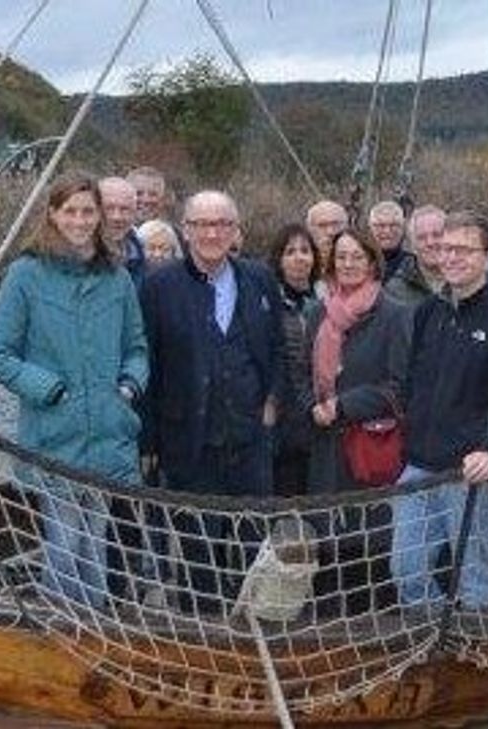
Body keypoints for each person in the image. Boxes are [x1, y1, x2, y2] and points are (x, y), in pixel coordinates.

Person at [0, 172, 148, 610]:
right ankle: (65, 623)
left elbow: (136, 346)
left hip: (109, 431)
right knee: (64, 536)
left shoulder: (117, 277)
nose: (79, 220)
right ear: (53, 215)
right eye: (70, 211)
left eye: (88, 211)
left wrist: (129, 386)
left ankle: (93, 627)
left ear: (100, 216)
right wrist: (49, 389)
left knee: (96, 536)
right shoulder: (25, 274)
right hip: (56, 431)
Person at [140, 190, 282, 612]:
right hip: (189, 441)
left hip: (250, 441)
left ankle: (248, 635)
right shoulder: (158, 286)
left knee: (251, 547)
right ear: (186, 230)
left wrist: (273, 400)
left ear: (236, 231)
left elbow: (278, 349)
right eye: (202, 224)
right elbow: (147, 361)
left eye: (222, 224)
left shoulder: (258, 279)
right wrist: (149, 439)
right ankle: (199, 639)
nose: (212, 233)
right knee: (197, 554)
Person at [391, 211, 488, 609]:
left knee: (471, 570)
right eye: (446, 249)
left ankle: (479, 653)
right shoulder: (428, 313)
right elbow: (413, 381)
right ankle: (432, 648)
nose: (452, 257)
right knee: (406, 568)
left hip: (470, 471)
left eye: (464, 250)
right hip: (419, 464)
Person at [303, 227, 410, 613]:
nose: (348, 264)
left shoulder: (394, 314)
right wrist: (311, 407)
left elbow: (399, 387)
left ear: (372, 263)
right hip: (326, 447)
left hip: (371, 448)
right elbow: (301, 374)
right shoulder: (317, 312)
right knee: (329, 549)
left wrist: (344, 405)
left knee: (372, 550)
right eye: (341, 256)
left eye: (357, 257)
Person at [268, 223, 321, 496]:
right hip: (281, 422)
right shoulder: (267, 302)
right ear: (279, 259)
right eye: (290, 252)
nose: (299, 258)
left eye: (305, 250)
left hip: (320, 420)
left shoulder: (328, 300)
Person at [384, 204, 444, 308]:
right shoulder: (394, 293)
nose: (430, 243)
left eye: (437, 235)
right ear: (413, 245)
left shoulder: (470, 281)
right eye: (421, 237)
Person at [99, 176, 145, 286]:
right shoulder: (76, 256)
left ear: (135, 212)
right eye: (109, 208)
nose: (117, 217)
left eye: (125, 209)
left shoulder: (143, 255)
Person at [367, 200, 410, 283]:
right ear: (370, 228)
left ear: (403, 228)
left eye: (394, 225)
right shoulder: (357, 263)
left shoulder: (414, 266)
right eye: (380, 226)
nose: (387, 231)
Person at [305, 199, 348, 269]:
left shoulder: (359, 263)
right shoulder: (304, 265)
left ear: (345, 226)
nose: (330, 232)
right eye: (322, 226)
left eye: (335, 224)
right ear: (310, 229)